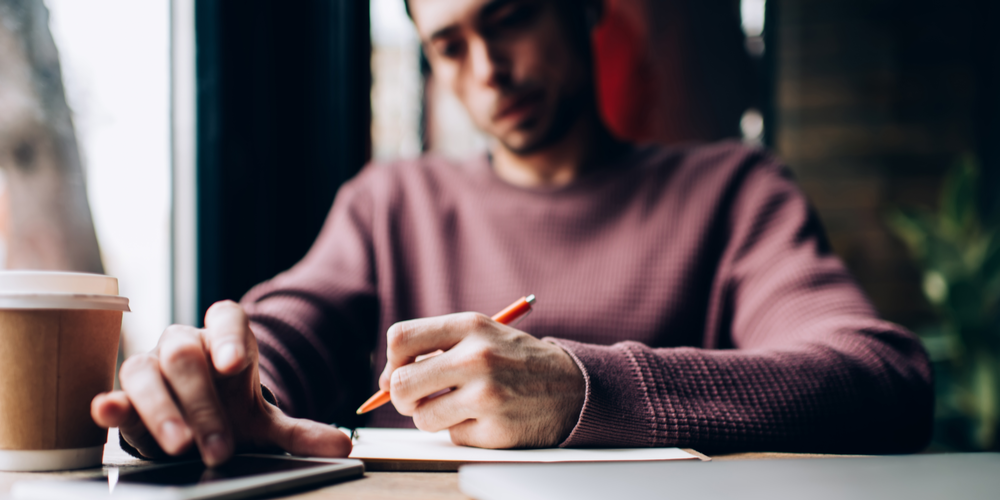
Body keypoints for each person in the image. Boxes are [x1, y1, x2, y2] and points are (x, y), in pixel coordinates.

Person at [91, 0, 933, 467]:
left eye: (510, 19)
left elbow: (883, 376)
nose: (487, 72)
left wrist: (584, 389)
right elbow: (292, 326)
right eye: (450, 47)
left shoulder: (733, 189)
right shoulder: (392, 201)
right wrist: (226, 380)